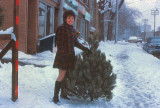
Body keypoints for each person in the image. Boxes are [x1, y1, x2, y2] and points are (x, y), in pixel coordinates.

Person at [52, 10, 90, 104]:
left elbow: (75, 42)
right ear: (65, 18)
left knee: (66, 75)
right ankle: (55, 97)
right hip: (63, 56)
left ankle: (63, 93)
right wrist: (65, 55)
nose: (70, 19)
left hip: (70, 56)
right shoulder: (61, 28)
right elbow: (59, 44)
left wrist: (85, 49)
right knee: (61, 75)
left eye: (72, 18)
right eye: (68, 18)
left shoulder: (72, 29)